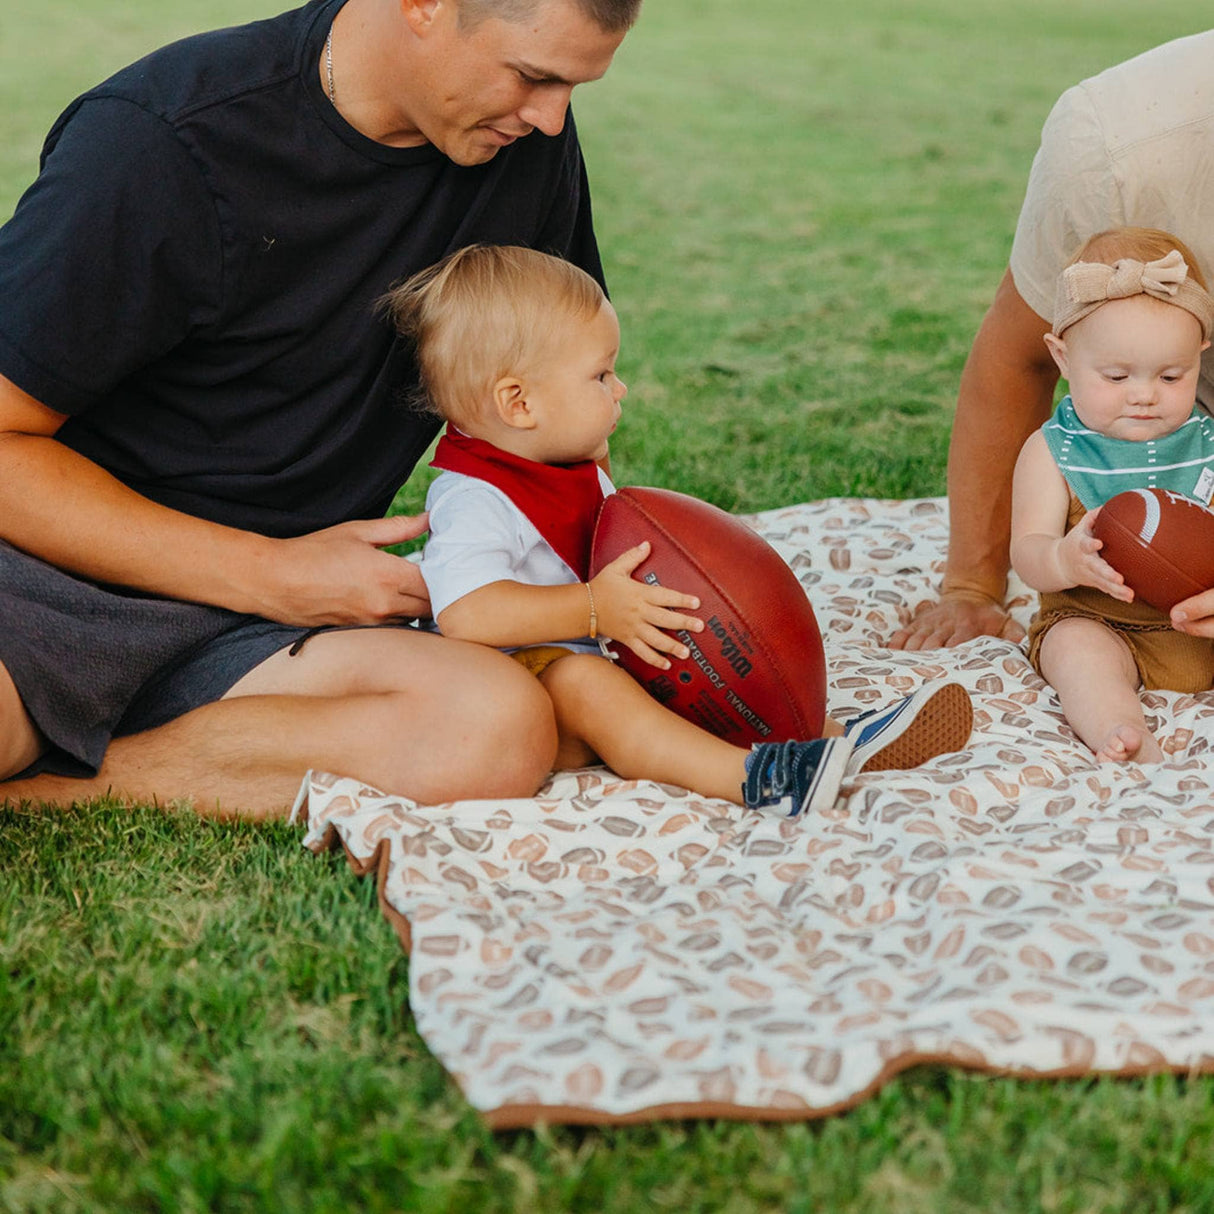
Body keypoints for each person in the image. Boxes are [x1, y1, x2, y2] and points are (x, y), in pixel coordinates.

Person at [0, 0, 642, 818]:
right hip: (45, 581)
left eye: (571, 89)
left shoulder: (521, 143)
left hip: (271, 627)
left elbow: (553, 400)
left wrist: (616, 581)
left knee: (495, 727)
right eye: (532, 76)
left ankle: (57, 790)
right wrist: (272, 574)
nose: (551, 120)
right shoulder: (163, 141)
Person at [387, 244, 976, 815]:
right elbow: (470, 614)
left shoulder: (561, 461)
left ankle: (830, 738)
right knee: (589, 684)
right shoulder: (474, 498)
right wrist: (594, 609)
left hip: (602, 648)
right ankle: (757, 780)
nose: (620, 390)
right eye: (600, 376)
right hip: (526, 692)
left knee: (703, 653)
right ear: (518, 404)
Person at [891, 29, 1214, 653]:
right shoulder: (1119, 146)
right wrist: (972, 588)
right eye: (1119, 378)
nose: (1141, 395)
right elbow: (1016, 358)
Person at [1010, 228, 1214, 763]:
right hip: (1100, 620)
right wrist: (1064, 557)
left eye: (1172, 376)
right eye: (1117, 375)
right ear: (1062, 355)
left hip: (1199, 622)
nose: (1144, 395)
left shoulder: (1207, 444)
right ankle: (1120, 729)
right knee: (1076, 652)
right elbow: (1027, 552)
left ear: (1201, 355)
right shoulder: (1052, 451)